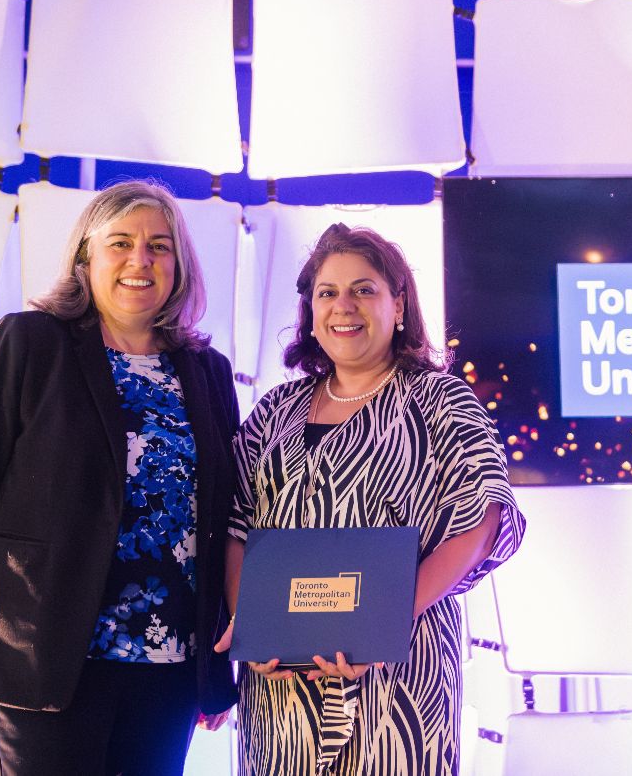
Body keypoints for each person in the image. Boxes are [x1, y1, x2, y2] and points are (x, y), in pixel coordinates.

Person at [0, 180, 239, 775]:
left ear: (180, 265)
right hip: (41, 659)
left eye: (159, 246)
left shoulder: (207, 371)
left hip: (168, 666)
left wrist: (214, 664)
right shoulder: (30, 344)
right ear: (85, 258)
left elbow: (223, 519)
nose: (140, 260)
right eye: (120, 242)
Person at [215, 223, 526, 775]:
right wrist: (253, 626)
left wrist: (380, 624)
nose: (344, 306)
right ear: (310, 311)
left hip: (398, 674)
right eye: (327, 293)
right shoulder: (275, 411)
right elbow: (236, 527)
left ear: (398, 303)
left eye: (364, 289)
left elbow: (484, 518)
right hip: (280, 687)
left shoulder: (439, 399)